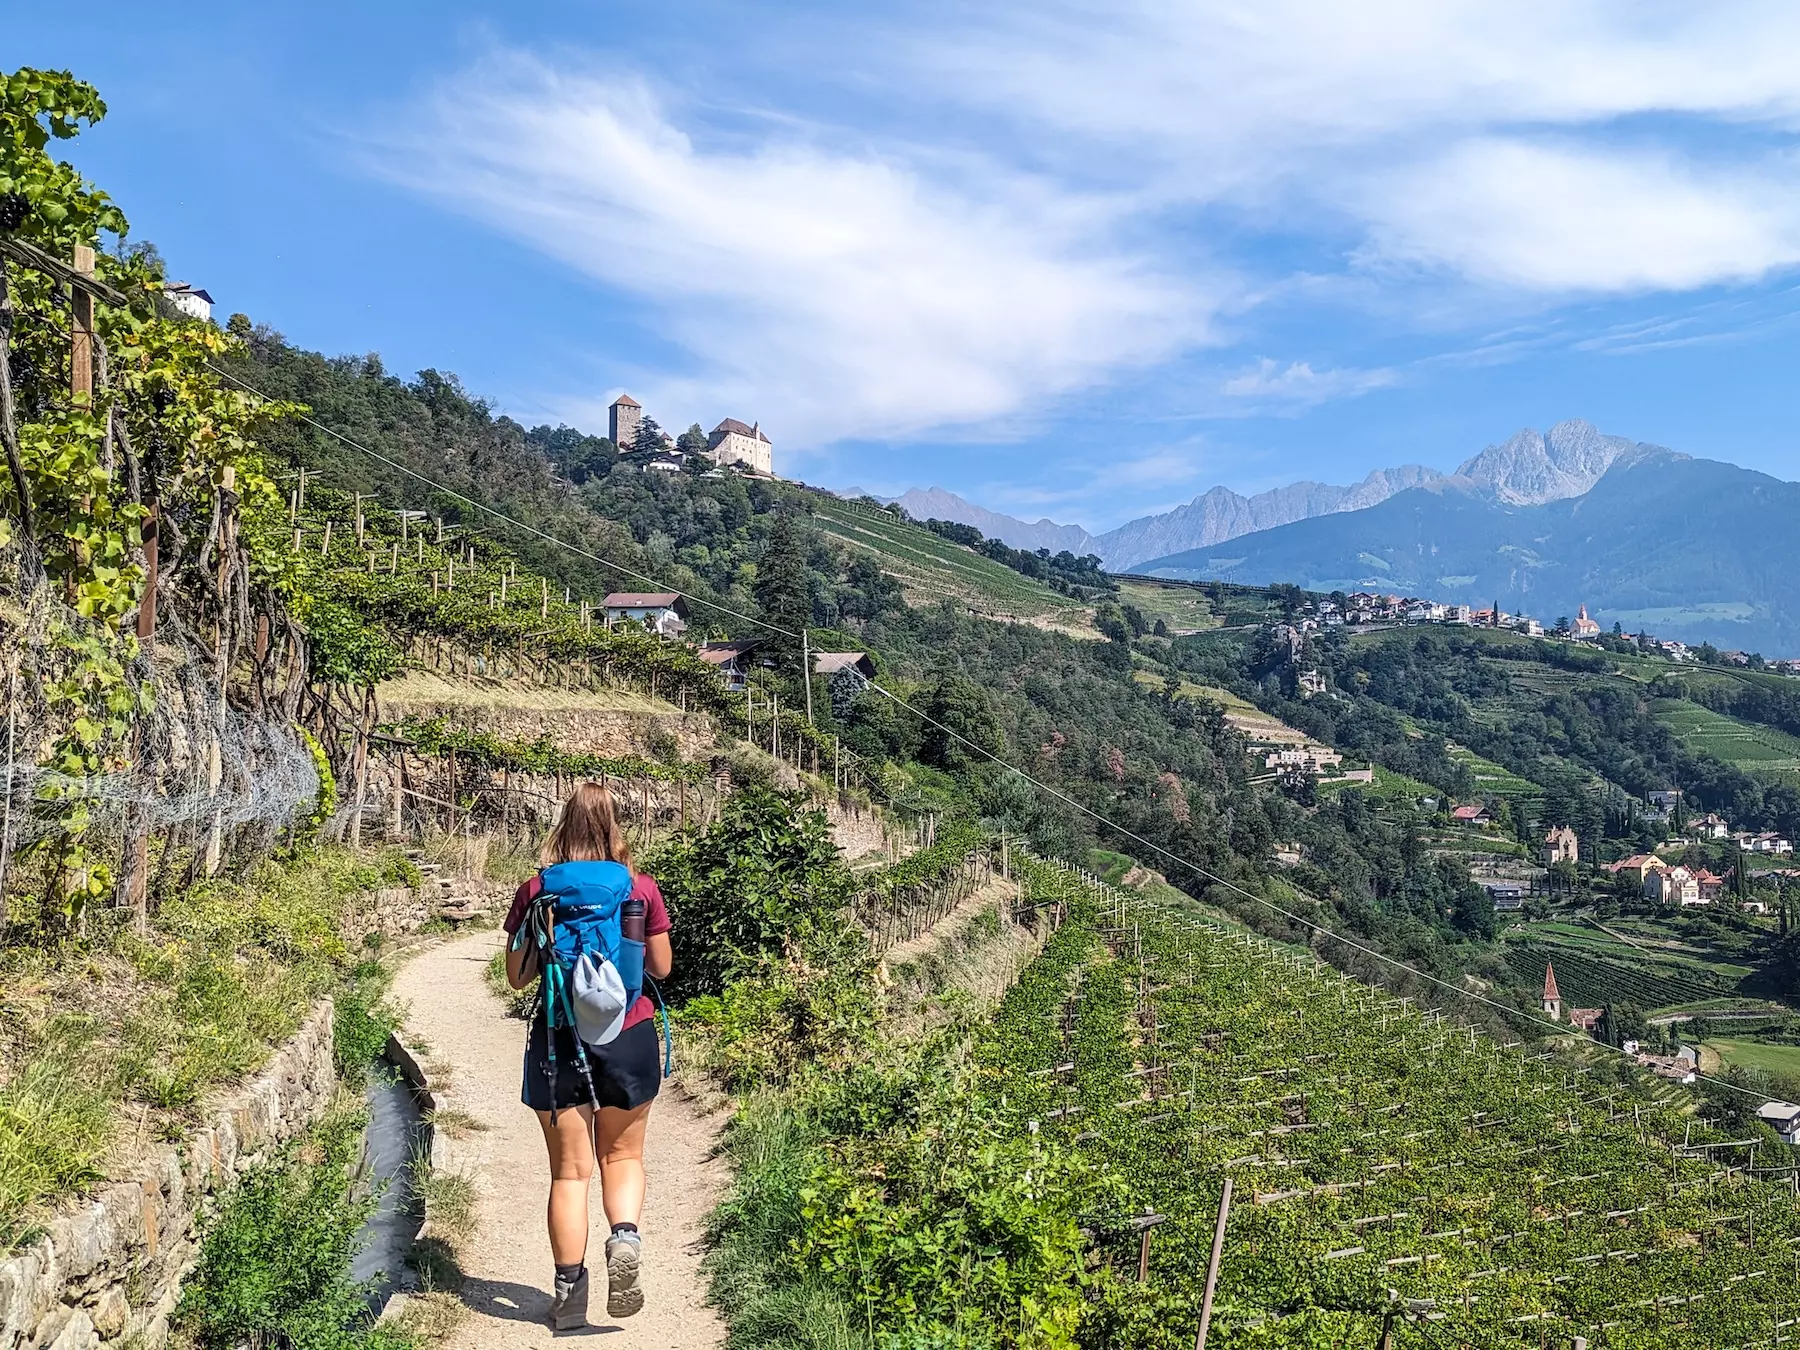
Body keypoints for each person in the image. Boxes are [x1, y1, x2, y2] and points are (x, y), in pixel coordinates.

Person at [503, 782, 673, 1328]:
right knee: (622, 1158)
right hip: (628, 1035)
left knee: (569, 1174)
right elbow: (663, 969)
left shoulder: (536, 890)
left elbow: (515, 976)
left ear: (562, 825)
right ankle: (623, 1238)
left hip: (559, 1039)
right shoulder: (640, 889)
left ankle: (569, 1296)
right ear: (614, 827)